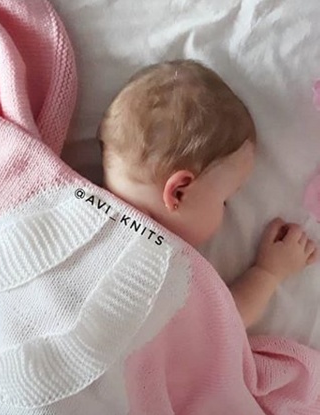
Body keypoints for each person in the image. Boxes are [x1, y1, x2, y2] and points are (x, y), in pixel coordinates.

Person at [97, 59, 318, 329]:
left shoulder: (74, 201)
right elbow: (221, 324)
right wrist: (269, 272)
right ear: (179, 192)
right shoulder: (158, 259)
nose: (226, 211)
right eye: (224, 200)